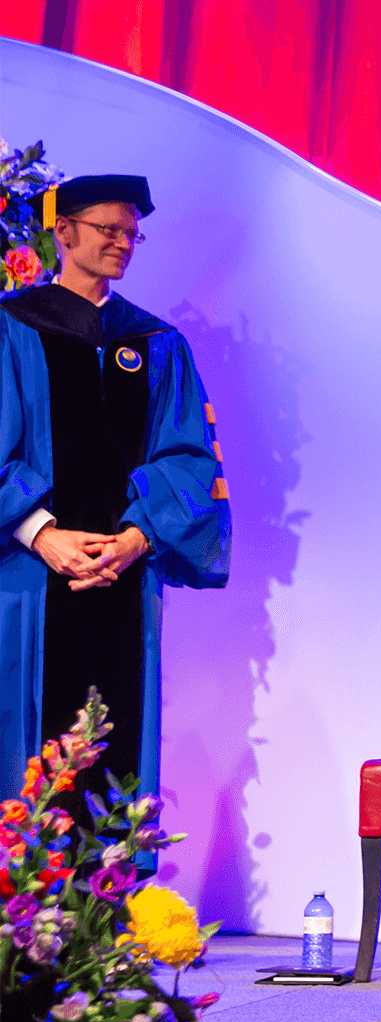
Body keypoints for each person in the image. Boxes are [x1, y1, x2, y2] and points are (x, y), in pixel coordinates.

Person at [0, 175, 230, 805]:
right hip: (28, 578)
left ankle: (114, 898)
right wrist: (42, 534)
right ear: (63, 231)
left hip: (125, 577)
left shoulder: (157, 343)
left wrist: (135, 537)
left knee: (113, 751)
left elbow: (186, 458)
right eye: (110, 230)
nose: (124, 242)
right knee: (28, 760)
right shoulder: (12, 328)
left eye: (133, 233)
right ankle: (21, 900)